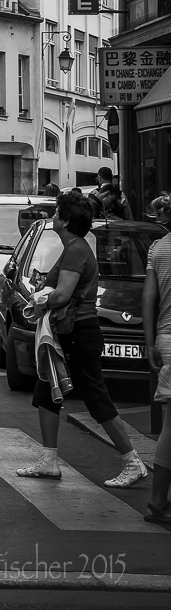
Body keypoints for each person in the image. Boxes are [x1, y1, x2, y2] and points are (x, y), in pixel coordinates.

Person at [16, 189, 148, 488]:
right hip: (71, 332)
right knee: (48, 391)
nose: (53, 216)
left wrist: (40, 301)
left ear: (65, 220)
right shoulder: (74, 246)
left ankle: (133, 461)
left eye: (57, 212)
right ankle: (49, 460)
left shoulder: (75, 249)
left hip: (79, 332)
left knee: (95, 397)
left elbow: (62, 294)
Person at [143, 193, 171, 523]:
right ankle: (157, 502)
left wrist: (150, 343)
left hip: (165, 338)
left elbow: (148, 297)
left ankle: (159, 501)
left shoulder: (157, 249)